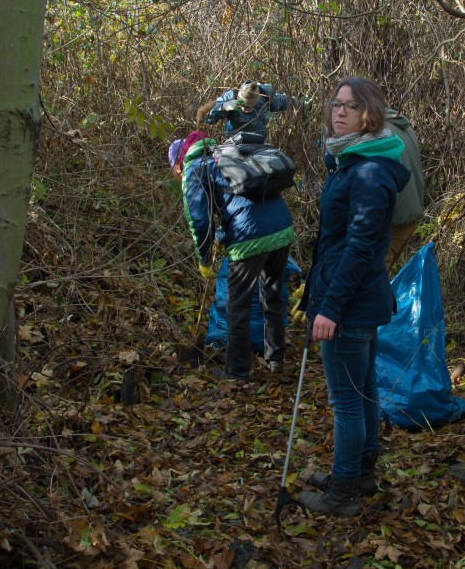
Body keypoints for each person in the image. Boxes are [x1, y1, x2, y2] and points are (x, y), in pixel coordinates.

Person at [296, 77, 410, 517]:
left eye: (350, 106)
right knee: (362, 394)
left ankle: (342, 493)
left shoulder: (366, 171)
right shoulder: (354, 162)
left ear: (369, 115)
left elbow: (360, 249)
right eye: (336, 104)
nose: (339, 112)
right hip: (358, 300)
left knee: (346, 401)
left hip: (350, 303)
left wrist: (329, 308)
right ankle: (360, 474)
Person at [169, 130, 295, 381]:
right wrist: (223, 235)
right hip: (282, 226)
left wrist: (204, 259)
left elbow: (199, 220)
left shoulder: (194, 169)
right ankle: (275, 360)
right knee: (271, 296)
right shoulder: (224, 155)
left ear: (178, 162)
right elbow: (240, 200)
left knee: (237, 307)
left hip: (249, 236)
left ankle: (236, 372)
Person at [383, 107, 425, 274]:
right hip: (407, 220)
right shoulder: (402, 125)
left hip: (389, 222)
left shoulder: (378, 132)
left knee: (368, 287)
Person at [206, 80, 297, 140]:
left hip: (259, 144)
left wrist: (304, 103)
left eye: (249, 107)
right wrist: (223, 107)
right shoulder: (230, 97)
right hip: (233, 145)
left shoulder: (266, 96)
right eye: (242, 105)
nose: (245, 109)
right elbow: (208, 119)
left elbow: (287, 101)